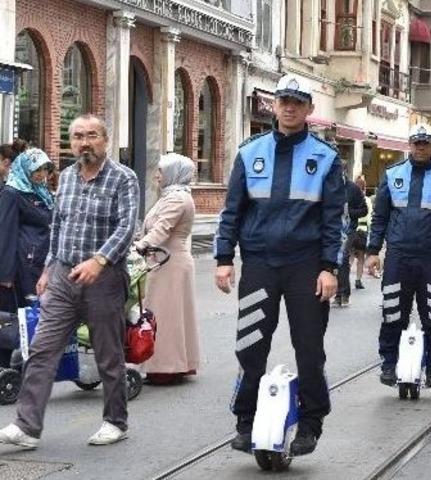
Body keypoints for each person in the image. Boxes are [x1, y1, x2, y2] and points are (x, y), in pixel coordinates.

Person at [214, 75, 345, 456]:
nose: (289, 107)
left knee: (309, 348)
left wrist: (329, 268)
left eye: (297, 102)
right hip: (259, 264)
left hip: (307, 267)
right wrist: (224, 259)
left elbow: (334, 220)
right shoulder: (249, 152)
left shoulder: (325, 158)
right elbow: (231, 213)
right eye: (284, 100)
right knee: (251, 346)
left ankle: (311, 423)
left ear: (308, 109)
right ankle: (245, 421)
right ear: (275, 105)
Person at [0, 114, 139, 449]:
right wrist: (48, 268)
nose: (84, 142)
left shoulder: (124, 178)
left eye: (91, 135)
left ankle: (115, 421)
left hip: (104, 277)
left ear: (105, 140)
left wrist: (99, 260)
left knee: (108, 354)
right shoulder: (66, 178)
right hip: (63, 275)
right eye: (77, 136)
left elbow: (126, 227)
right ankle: (27, 426)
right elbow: (58, 226)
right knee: (42, 349)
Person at [366, 123, 431, 389]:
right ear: (409, 144)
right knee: (392, 312)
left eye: (425, 143)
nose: (420, 147)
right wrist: (373, 252)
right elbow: (380, 218)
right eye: (416, 143)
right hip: (398, 256)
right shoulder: (393, 174)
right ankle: (388, 363)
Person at [133, 153, 198, 385]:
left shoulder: (177, 199)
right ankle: (169, 364)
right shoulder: (170, 196)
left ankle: (166, 367)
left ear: (172, 173)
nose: (157, 175)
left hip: (170, 263)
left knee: (166, 316)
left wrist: (140, 246)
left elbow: (162, 229)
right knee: (165, 314)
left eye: (161, 171)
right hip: (163, 260)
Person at [0, 149, 54, 368]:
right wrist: (5, 274)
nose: (42, 174)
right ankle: (4, 368)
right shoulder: (12, 193)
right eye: (36, 169)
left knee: (31, 316)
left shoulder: (40, 192)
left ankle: (26, 365)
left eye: (44, 169)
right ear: (25, 168)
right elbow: (5, 232)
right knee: (13, 316)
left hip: (39, 263)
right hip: (22, 265)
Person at [334, 174, 369, 307]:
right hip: (332, 228)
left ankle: (343, 294)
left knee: (342, 258)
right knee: (334, 260)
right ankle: (338, 293)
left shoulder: (353, 188)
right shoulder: (330, 185)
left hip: (349, 229)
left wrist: (349, 212)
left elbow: (364, 210)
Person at [352, 175, 371, 290]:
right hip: (363, 231)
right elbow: (369, 219)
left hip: (351, 230)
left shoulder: (350, 198)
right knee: (360, 257)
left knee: (348, 257)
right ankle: (358, 280)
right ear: (364, 188)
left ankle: (343, 281)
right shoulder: (367, 200)